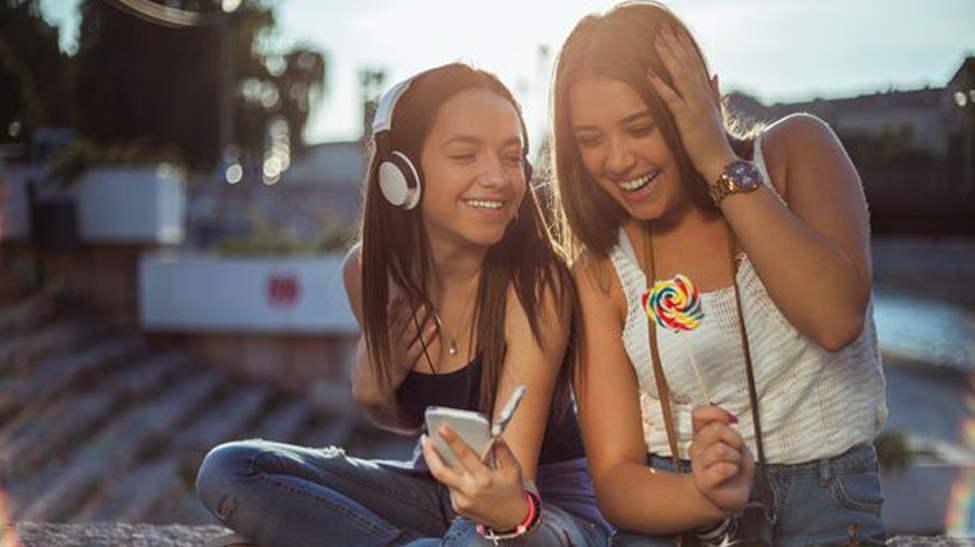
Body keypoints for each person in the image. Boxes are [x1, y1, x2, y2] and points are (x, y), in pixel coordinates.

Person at [195, 62, 609, 547]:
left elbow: (513, 485)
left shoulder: (536, 286)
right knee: (230, 469)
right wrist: (377, 387)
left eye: (512, 156)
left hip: (536, 516)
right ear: (401, 173)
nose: (497, 177)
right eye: (465, 154)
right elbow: (404, 418)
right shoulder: (369, 272)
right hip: (438, 496)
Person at [550, 2, 887, 546]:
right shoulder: (599, 271)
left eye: (640, 127)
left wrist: (715, 161)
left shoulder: (796, 153)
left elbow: (835, 318)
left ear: (704, 99)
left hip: (828, 499)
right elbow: (615, 481)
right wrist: (704, 496)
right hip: (672, 508)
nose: (617, 160)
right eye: (591, 140)